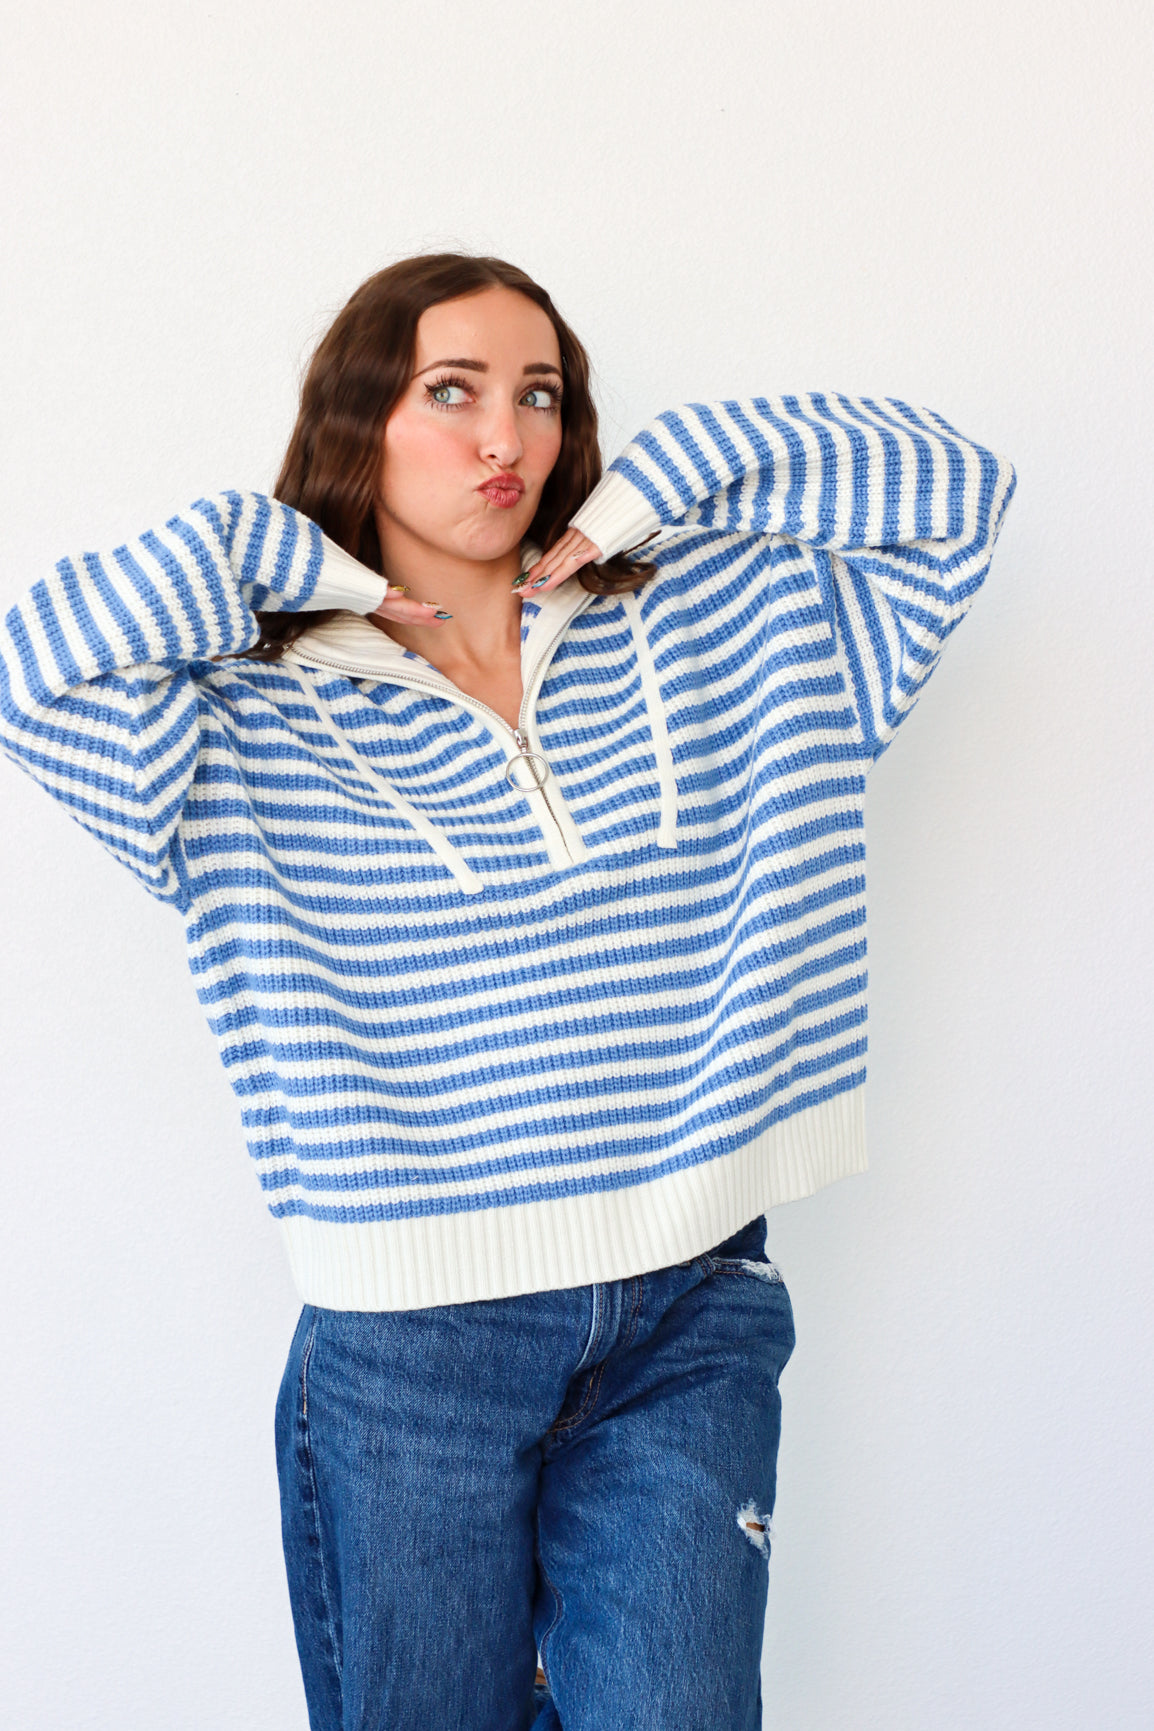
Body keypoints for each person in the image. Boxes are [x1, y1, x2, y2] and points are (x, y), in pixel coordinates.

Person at [0, 252, 1016, 1730]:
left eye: (539, 395)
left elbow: (953, 488)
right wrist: (299, 563)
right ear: (361, 416)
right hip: (412, 1347)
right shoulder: (231, 711)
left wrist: (642, 493)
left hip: (690, 1304)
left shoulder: (729, 624)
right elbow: (34, 668)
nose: (506, 440)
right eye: (449, 390)